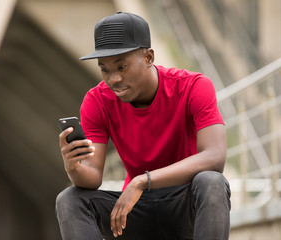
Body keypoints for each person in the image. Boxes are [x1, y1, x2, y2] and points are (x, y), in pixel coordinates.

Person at [56, 12, 231, 240]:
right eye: (105, 69)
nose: (114, 79)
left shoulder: (193, 86)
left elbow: (215, 156)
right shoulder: (97, 100)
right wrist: (73, 167)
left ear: (148, 57)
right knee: (69, 199)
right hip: (134, 212)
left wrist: (143, 180)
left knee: (212, 182)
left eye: (122, 66)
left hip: (186, 207)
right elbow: (92, 178)